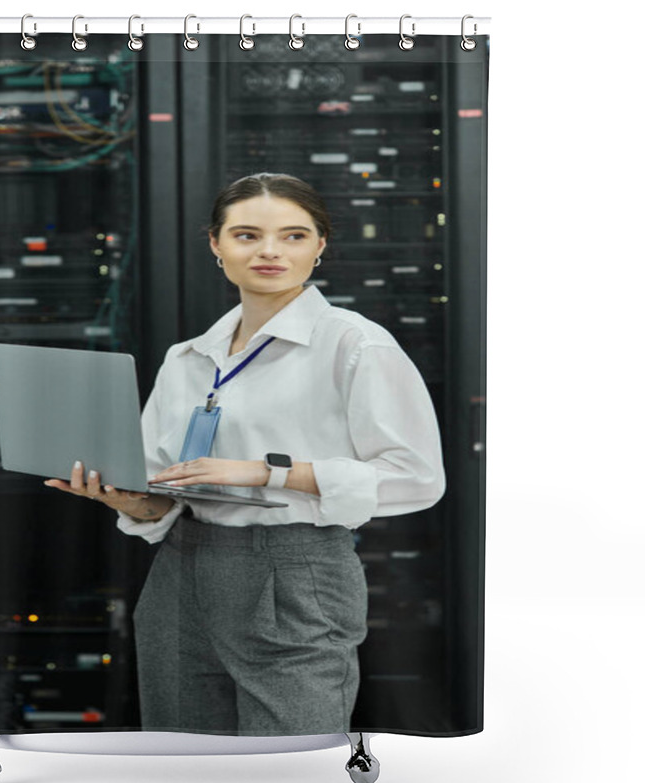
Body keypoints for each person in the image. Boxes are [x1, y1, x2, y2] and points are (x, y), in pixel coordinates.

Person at [44, 173, 445, 736]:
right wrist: (132, 502)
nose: (270, 252)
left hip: (293, 571)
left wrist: (265, 474)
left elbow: (417, 477)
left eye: (294, 235)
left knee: (289, 770)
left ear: (321, 245)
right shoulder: (186, 358)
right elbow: (167, 492)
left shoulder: (355, 344)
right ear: (216, 244)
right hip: (180, 574)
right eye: (247, 235)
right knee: (185, 766)